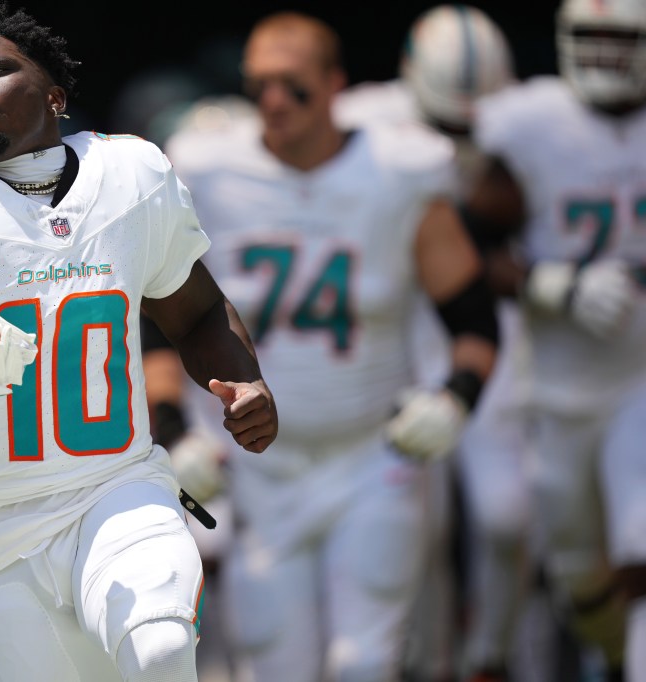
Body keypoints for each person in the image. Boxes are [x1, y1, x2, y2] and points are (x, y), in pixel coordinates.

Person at [0, 3, 278, 682]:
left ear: (56, 96)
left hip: (118, 488)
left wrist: (247, 382)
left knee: (158, 649)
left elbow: (199, 313)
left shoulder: (130, 177)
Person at [163, 11, 498, 681]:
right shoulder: (207, 172)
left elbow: (476, 320)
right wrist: (171, 432)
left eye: (295, 87)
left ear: (336, 84)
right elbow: (157, 323)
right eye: (260, 87)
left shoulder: (397, 172)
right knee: (273, 663)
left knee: (366, 663)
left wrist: (455, 401)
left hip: (371, 459)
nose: (275, 103)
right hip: (261, 470)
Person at [334, 7, 535, 681]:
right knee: (420, 521)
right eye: (447, 124)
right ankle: (431, 663)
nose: (461, 138)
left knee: (507, 512)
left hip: (473, 318)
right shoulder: (361, 117)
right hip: (393, 324)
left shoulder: (526, 124)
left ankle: (493, 657)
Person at [464, 0, 646, 678]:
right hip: (559, 391)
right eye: (591, 36)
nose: (605, 53)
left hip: (640, 378)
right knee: (577, 571)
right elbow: (469, 247)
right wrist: (550, 284)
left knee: (641, 543)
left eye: (620, 37)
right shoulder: (533, 124)